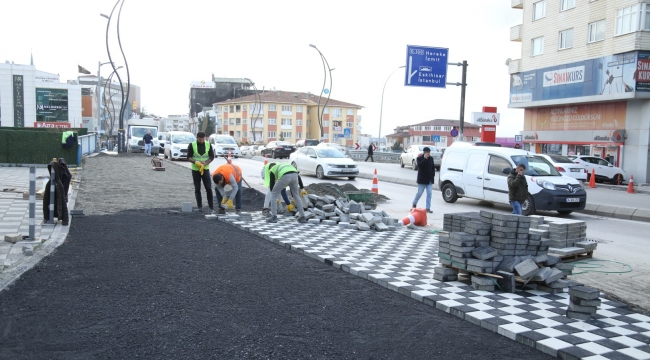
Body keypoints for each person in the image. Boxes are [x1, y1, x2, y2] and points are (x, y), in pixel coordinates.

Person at [187, 131, 214, 213]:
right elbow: (188, 157)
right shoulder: (192, 145)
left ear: (205, 138)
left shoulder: (208, 144)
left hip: (205, 169)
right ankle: (199, 207)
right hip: (195, 169)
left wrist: (205, 163)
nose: (201, 141)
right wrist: (196, 162)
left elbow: (212, 156)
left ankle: (211, 207)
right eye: (200, 140)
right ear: (197, 138)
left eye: (203, 139)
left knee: (208, 188)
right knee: (197, 188)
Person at [412, 147, 436, 213]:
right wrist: (425, 159)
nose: (428, 153)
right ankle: (414, 203)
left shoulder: (431, 159)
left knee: (429, 193)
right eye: (427, 152)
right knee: (420, 192)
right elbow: (420, 165)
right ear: (424, 152)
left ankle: (428, 208)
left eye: (429, 152)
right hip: (422, 179)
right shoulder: (419, 158)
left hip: (429, 180)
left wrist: (433, 175)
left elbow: (433, 167)